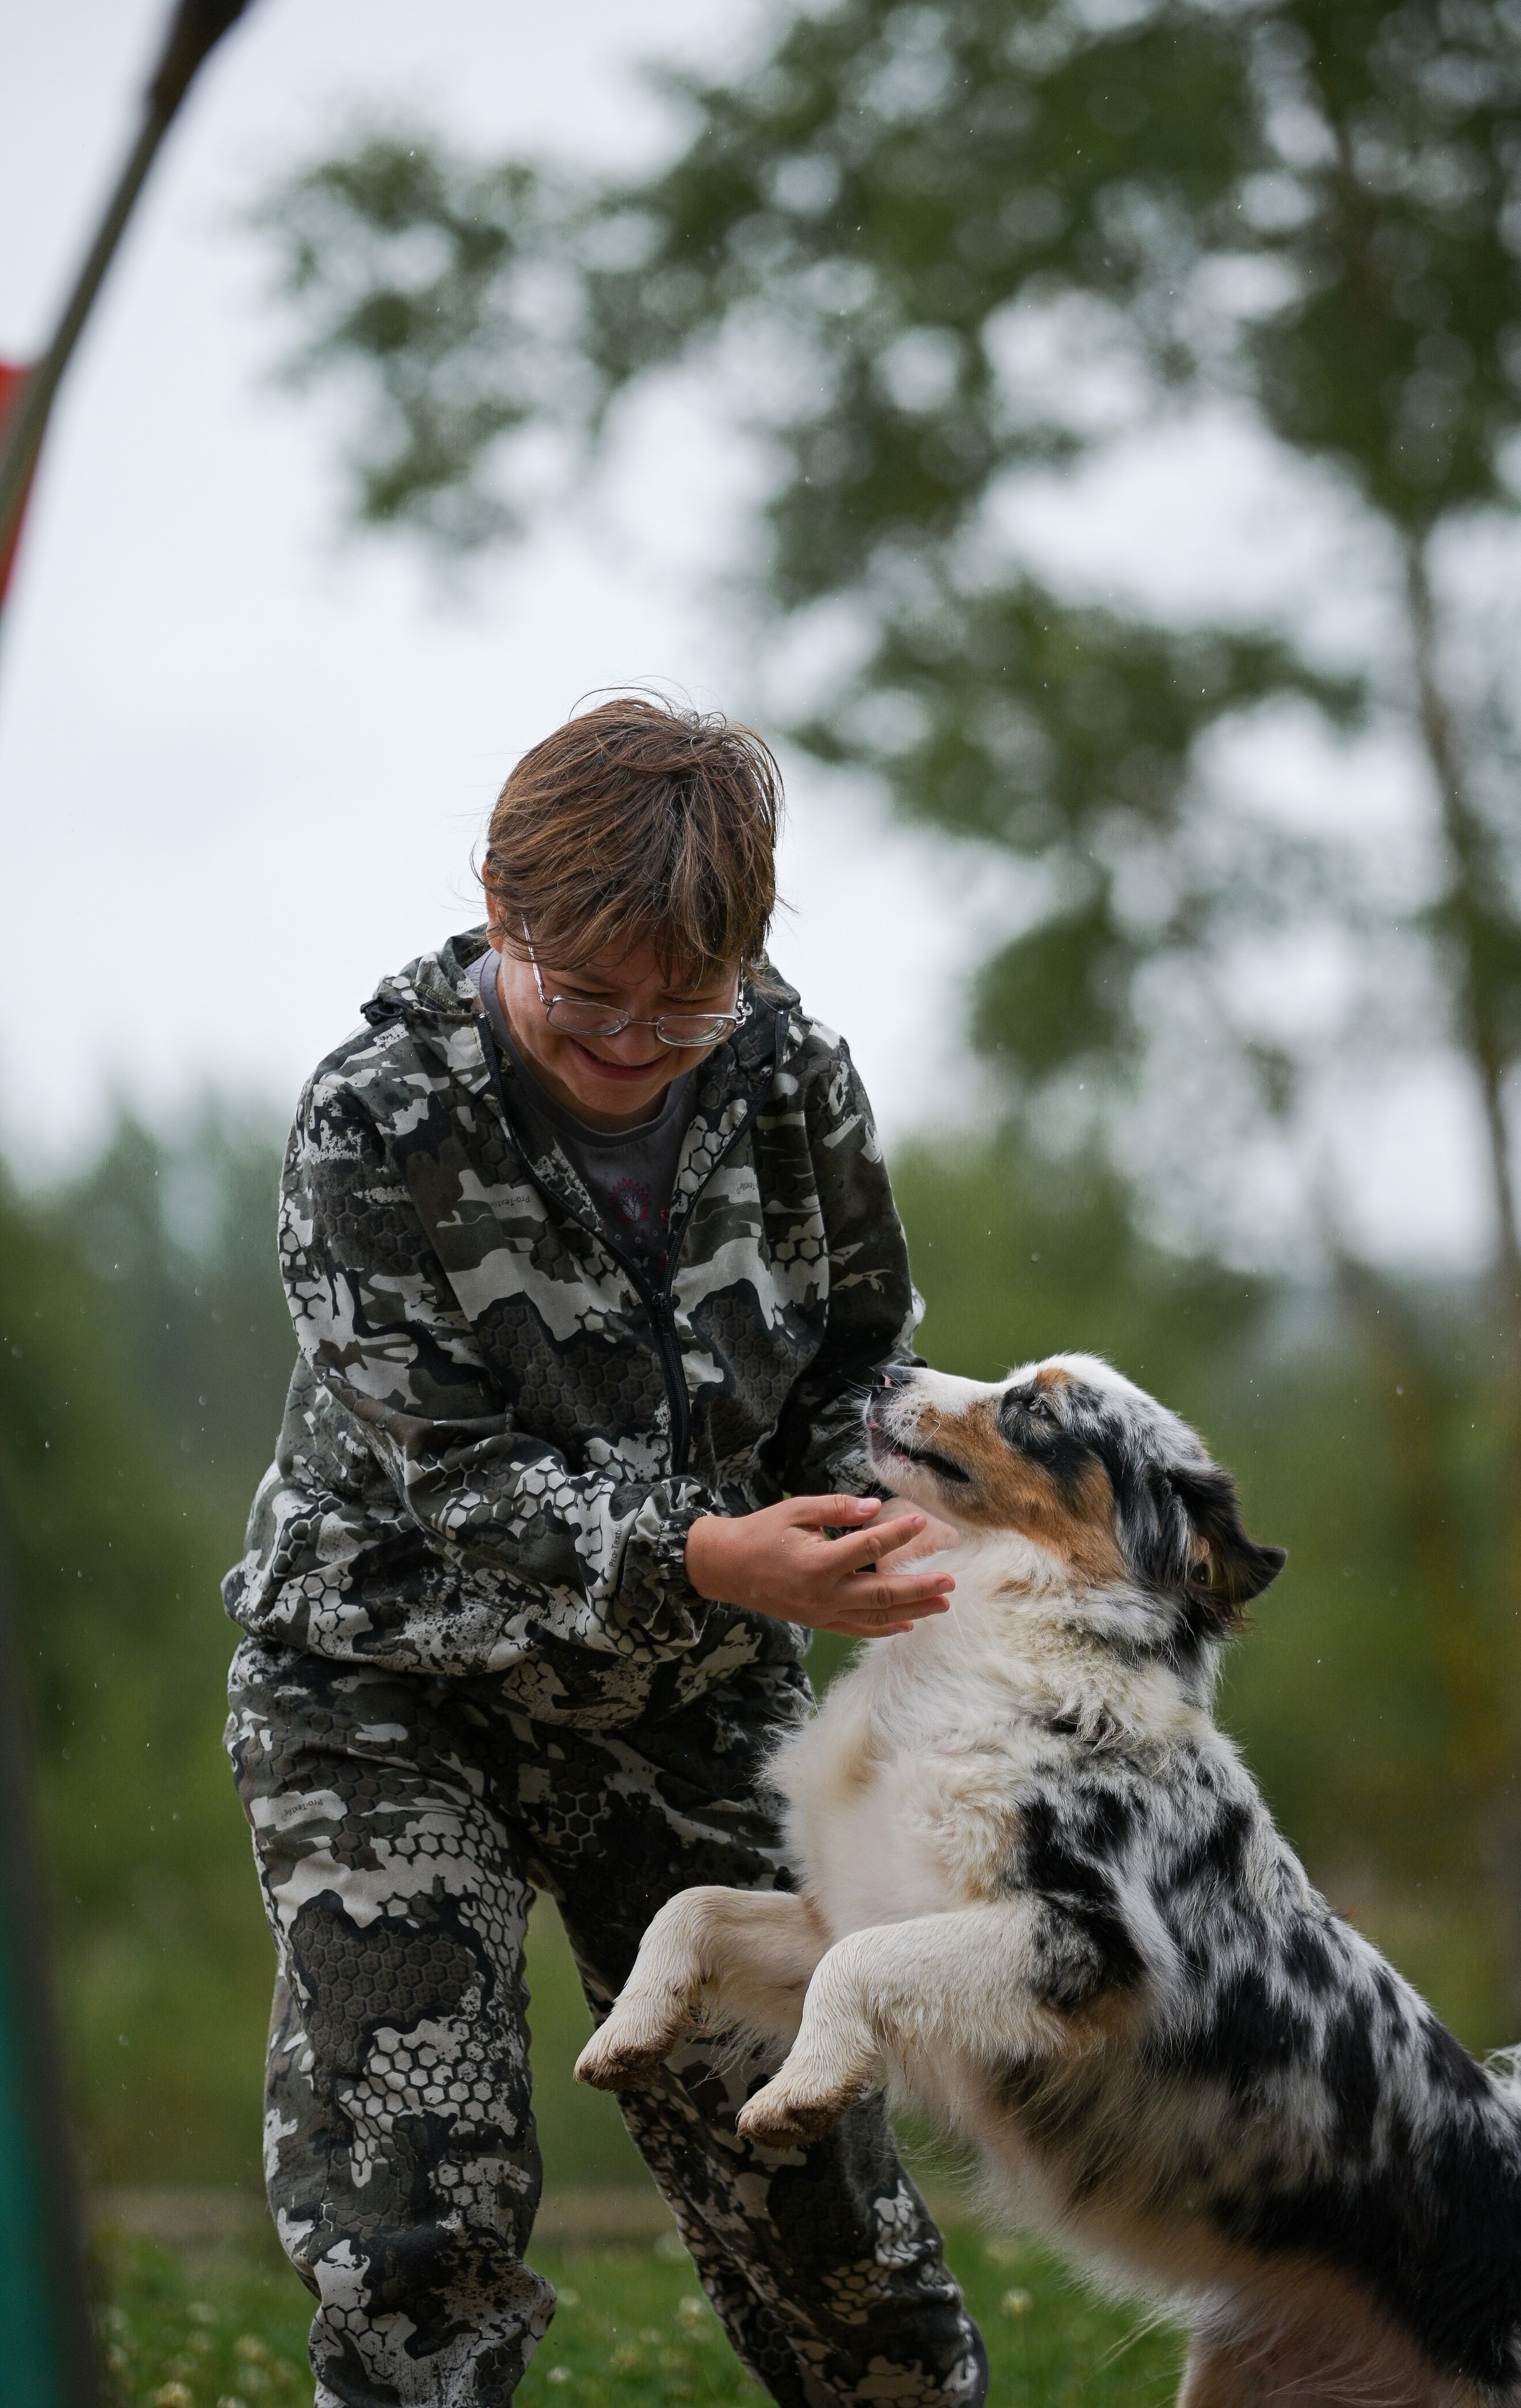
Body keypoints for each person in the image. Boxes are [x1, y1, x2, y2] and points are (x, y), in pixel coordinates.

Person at [224, 696, 986, 2408]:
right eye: (587, 998)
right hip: (385, 1688)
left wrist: (874, 1527)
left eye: (685, 1004)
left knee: (819, 2192)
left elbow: (862, 1356)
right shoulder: (373, 1117)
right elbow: (456, 1475)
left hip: (687, 1696)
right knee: (417, 2198)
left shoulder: (793, 1078)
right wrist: (713, 1554)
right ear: (502, 905)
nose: (635, 1044)